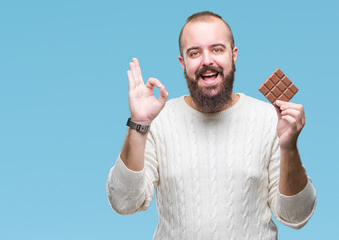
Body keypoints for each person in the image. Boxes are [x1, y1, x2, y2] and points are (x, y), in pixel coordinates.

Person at [106, 11, 316, 239]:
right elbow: (124, 203)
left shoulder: (269, 118)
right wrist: (139, 123)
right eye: (194, 53)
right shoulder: (159, 120)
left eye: (217, 49)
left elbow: (296, 216)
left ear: (233, 55)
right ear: (182, 62)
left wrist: (289, 148)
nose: (207, 60)